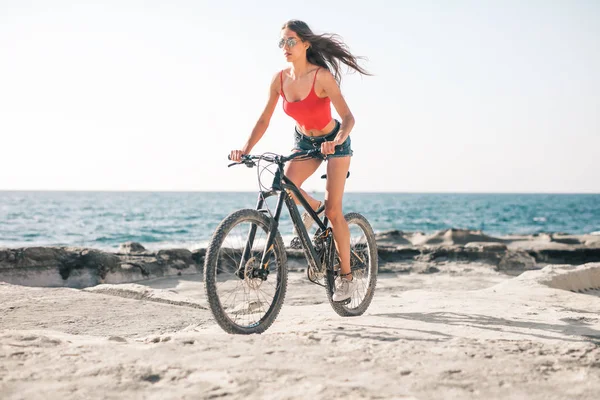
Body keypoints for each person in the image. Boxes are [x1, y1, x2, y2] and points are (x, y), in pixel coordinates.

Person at [229, 20, 371, 302]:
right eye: (282, 42)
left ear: (306, 44)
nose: (285, 47)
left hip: (334, 144)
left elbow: (348, 118)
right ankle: (313, 208)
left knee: (334, 213)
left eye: (291, 41)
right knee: (283, 184)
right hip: (304, 142)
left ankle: (346, 277)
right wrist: (245, 148)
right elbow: (264, 119)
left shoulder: (322, 77)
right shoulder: (279, 79)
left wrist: (337, 141)